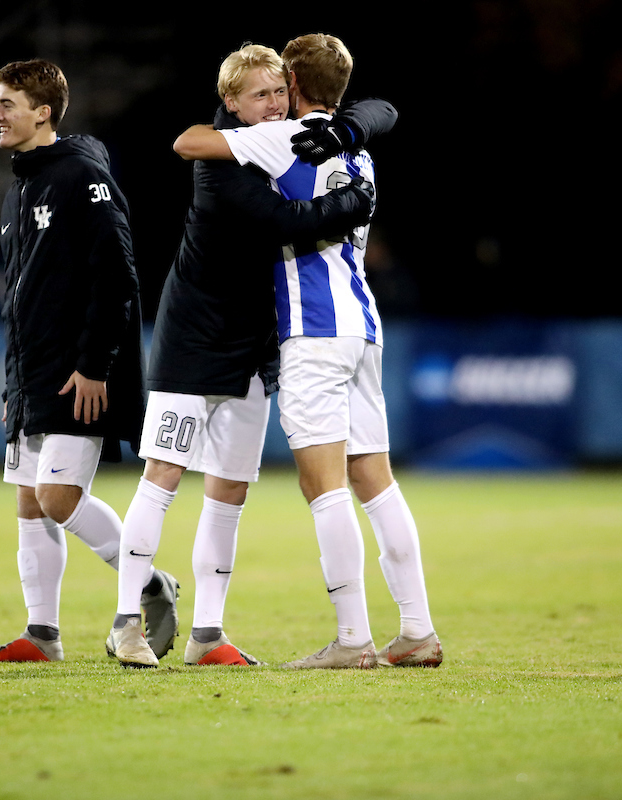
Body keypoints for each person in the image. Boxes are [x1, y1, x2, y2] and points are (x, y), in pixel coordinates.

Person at [108, 43, 387, 668]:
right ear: (231, 103)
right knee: (163, 477)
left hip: (257, 343)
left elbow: (381, 109)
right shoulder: (223, 156)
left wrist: (352, 123)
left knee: (230, 491)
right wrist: (349, 205)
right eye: (258, 96)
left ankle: (209, 633)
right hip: (195, 338)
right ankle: (127, 621)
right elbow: (277, 221)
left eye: (279, 93)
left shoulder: (286, 140)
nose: (273, 106)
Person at [173, 33, 442, 669]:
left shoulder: (284, 138)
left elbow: (190, 143)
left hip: (314, 331)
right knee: (375, 481)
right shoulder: (362, 155)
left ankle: (352, 641)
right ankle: (418, 630)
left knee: (324, 488)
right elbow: (380, 113)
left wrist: (245, 117)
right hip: (365, 328)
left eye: (279, 86)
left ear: (292, 84)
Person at [0, 59, 178, 663]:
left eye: (7, 103)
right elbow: (21, 296)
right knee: (29, 502)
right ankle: (42, 635)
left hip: (74, 371)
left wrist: (94, 364)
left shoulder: (82, 176)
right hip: (32, 373)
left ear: (43, 112)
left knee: (58, 498)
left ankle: (149, 582)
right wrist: (15, 381)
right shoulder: (20, 186)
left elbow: (117, 275)